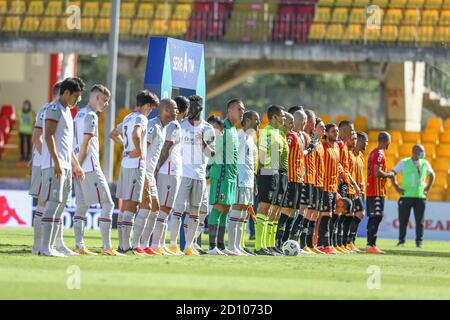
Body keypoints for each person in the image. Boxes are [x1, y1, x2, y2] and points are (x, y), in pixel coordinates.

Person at [39, 77, 85, 257]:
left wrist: (75, 165)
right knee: (53, 204)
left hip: (65, 166)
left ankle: (54, 246)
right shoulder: (54, 108)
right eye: (76, 96)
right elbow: (48, 135)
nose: (78, 100)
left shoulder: (67, 110)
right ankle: (45, 248)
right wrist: (57, 162)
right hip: (54, 165)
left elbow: (66, 143)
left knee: (60, 205)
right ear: (66, 93)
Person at [73, 84, 121, 256]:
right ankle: (107, 247)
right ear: (97, 98)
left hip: (78, 167)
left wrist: (75, 166)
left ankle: (79, 245)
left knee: (82, 206)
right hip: (90, 167)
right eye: (105, 101)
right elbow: (85, 144)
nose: (106, 104)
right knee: (108, 203)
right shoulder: (91, 116)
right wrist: (79, 165)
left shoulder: (78, 115)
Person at [109, 90, 159, 255]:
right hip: (136, 165)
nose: (150, 110)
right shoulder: (140, 118)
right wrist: (138, 150)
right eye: (150, 107)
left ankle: (123, 245)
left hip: (125, 164)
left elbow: (113, 134)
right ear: (145, 105)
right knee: (133, 204)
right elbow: (136, 133)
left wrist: (126, 147)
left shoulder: (127, 117)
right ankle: (125, 246)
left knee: (126, 206)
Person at [172, 95, 215, 256]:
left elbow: (212, 155)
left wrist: (202, 142)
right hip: (182, 174)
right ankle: (172, 244)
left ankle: (189, 246)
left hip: (199, 175)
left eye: (195, 106)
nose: (192, 109)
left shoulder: (208, 129)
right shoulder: (181, 126)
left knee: (195, 212)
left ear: (200, 108)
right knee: (178, 210)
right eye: (190, 106)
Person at [135, 99, 178, 256]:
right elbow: (143, 148)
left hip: (150, 174)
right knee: (144, 207)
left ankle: (145, 244)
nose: (177, 111)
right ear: (166, 110)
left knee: (155, 208)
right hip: (143, 171)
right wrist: (144, 172)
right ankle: (134, 244)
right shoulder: (153, 125)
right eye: (174, 108)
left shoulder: (163, 127)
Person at [153, 96, 189, 255]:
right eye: (174, 109)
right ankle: (156, 245)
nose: (177, 112)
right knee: (164, 209)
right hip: (168, 171)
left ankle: (159, 243)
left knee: (165, 209)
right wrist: (158, 166)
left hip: (171, 171)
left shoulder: (173, 125)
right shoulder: (174, 125)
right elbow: (167, 147)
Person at [207, 98, 244, 255]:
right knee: (218, 208)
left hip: (230, 176)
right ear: (229, 110)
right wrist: (210, 167)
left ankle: (221, 246)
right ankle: (211, 246)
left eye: (243, 109)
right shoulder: (222, 128)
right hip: (220, 175)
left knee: (226, 209)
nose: (242, 112)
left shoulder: (234, 129)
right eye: (239, 109)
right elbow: (210, 149)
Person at [30, 81, 61, 255]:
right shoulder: (50, 109)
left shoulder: (46, 108)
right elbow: (38, 137)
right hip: (44, 164)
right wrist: (47, 158)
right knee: (45, 202)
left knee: (48, 203)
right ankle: (40, 246)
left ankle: (45, 245)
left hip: (41, 161)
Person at [226, 110, 259, 256]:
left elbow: (251, 163)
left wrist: (254, 182)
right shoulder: (239, 136)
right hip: (239, 178)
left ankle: (238, 246)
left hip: (249, 180)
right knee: (237, 210)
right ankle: (232, 246)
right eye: (255, 119)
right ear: (246, 120)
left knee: (244, 213)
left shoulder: (250, 138)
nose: (258, 122)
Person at [254, 105, 285, 256]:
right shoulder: (266, 132)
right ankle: (259, 246)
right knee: (264, 208)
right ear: (273, 117)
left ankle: (267, 245)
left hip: (275, 172)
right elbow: (261, 157)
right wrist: (257, 175)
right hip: (267, 172)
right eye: (281, 116)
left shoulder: (278, 133)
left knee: (270, 210)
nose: (283, 118)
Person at [391, 144, 435, 248]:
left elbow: (432, 175)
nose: (423, 153)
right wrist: (396, 187)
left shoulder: (425, 163)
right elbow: (392, 173)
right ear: (414, 151)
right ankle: (401, 241)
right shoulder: (404, 162)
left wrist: (428, 188)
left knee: (420, 221)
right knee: (403, 220)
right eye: (421, 151)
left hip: (420, 197)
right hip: (406, 196)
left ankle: (419, 242)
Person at [275, 109, 305, 251]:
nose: (292, 124)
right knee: (287, 211)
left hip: (298, 179)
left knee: (293, 211)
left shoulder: (298, 136)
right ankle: (278, 241)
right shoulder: (290, 137)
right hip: (291, 178)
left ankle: (285, 241)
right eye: (290, 122)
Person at [365, 131, 395, 254]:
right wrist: (389, 174)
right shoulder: (379, 154)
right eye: (389, 141)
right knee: (377, 216)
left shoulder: (373, 152)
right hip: (376, 191)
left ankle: (369, 244)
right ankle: (371, 244)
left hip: (373, 190)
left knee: (374, 217)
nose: (390, 143)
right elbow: (377, 172)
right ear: (385, 141)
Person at [317, 123, 340, 254]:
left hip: (333, 187)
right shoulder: (322, 146)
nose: (335, 133)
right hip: (324, 186)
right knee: (325, 216)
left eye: (336, 131)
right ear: (326, 133)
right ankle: (323, 244)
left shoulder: (336, 147)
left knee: (330, 216)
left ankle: (327, 244)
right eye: (333, 131)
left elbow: (337, 167)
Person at [345, 131, 368, 252]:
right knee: (356, 214)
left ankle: (351, 241)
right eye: (365, 141)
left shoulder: (361, 156)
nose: (367, 144)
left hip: (360, 190)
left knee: (358, 214)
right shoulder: (349, 154)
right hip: (352, 189)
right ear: (359, 141)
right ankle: (348, 241)